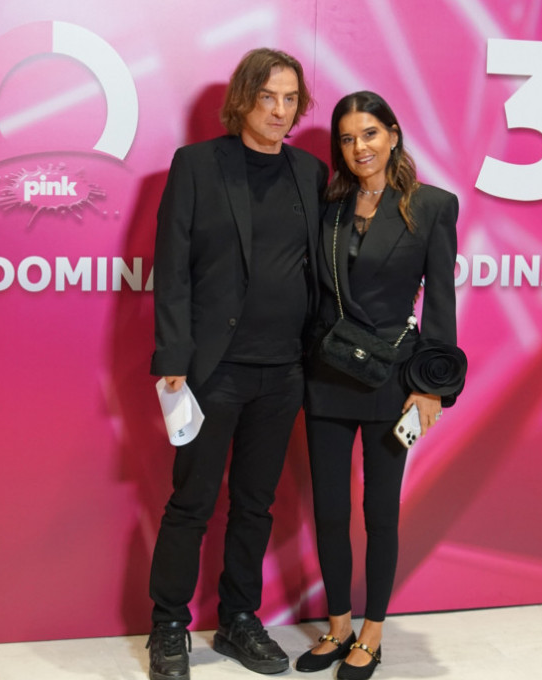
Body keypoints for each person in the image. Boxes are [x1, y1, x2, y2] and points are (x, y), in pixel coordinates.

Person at [147, 48, 328, 680]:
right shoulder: (198, 165)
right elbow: (172, 266)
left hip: (284, 371)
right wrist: (173, 354)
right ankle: (169, 625)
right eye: (268, 97)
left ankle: (239, 619)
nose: (280, 111)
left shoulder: (310, 172)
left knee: (256, 504)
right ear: (244, 99)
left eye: (290, 99)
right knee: (192, 502)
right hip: (212, 370)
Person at [296, 91, 462, 680]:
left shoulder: (433, 206)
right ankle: (338, 625)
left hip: (395, 381)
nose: (359, 147)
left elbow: (440, 304)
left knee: (380, 511)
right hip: (328, 375)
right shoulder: (330, 208)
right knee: (329, 509)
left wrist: (432, 388)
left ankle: (373, 632)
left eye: (369, 133)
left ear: (392, 134)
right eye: (346, 138)